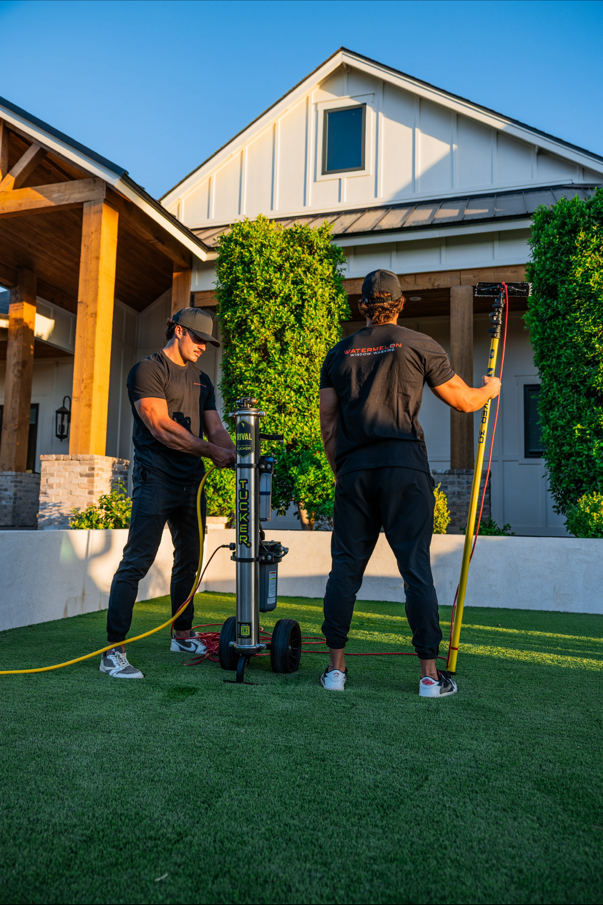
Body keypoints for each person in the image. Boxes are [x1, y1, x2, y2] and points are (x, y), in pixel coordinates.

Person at [318, 269, 501, 697]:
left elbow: (328, 422)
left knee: (345, 570)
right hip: (406, 470)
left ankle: (335, 672)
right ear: (400, 304)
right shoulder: (419, 343)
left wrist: (342, 471)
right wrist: (490, 389)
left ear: (362, 305)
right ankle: (429, 677)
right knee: (416, 570)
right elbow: (463, 401)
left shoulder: (338, 353)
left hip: (355, 472)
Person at [100, 307, 235, 679]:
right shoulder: (148, 370)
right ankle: (113, 650)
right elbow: (159, 426)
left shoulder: (202, 380)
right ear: (178, 330)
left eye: (207, 342)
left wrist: (236, 453)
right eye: (198, 339)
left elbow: (215, 429)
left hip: (191, 482)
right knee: (137, 561)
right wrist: (211, 451)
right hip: (155, 479)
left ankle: (182, 634)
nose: (203, 347)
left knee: (189, 560)